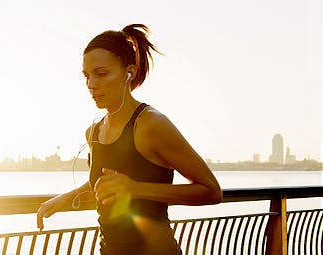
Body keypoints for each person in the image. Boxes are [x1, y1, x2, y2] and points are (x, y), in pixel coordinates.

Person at [36, 24, 223, 255]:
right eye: (87, 76)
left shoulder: (150, 124)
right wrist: (64, 199)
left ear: (130, 72)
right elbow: (103, 186)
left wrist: (135, 189)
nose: (91, 84)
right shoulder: (93, 132)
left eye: (101, 73)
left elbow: (211, 191)